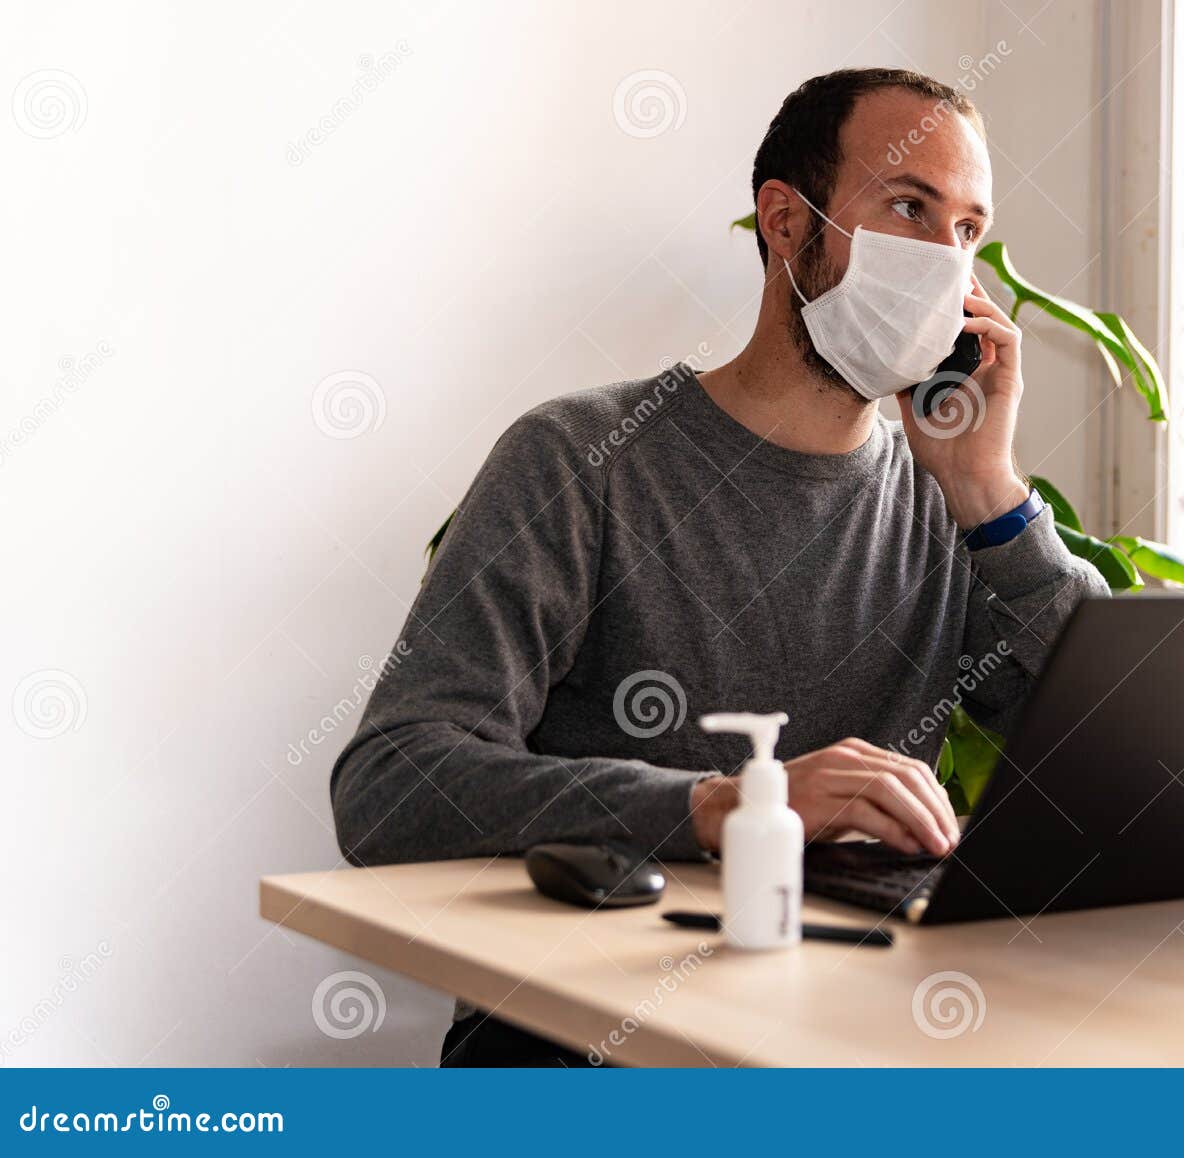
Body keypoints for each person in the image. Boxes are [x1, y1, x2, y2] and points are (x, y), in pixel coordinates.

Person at [330, 67, 1109, 1066]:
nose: (943, 262)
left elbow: (1124, 749)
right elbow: (392, 785)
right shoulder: (581, 459)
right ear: (785, 223)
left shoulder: (947, 498)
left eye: (965, 230)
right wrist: (718, 806)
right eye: (908, 208)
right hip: (586, 1051)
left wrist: (990, 494)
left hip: (840, 1037)